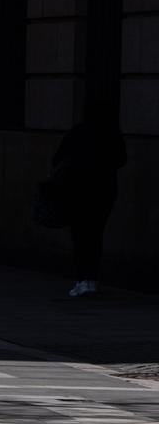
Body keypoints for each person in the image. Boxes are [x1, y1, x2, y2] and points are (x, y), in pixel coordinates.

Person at [51, 113, 127, 297]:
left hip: (78, 191)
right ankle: (92, 280)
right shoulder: (111, 134)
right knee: (95, 235)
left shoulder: (77, 132)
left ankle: (82, 280)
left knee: (80, 236)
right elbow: (121, 160)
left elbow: (57, 159)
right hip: (103, 192)